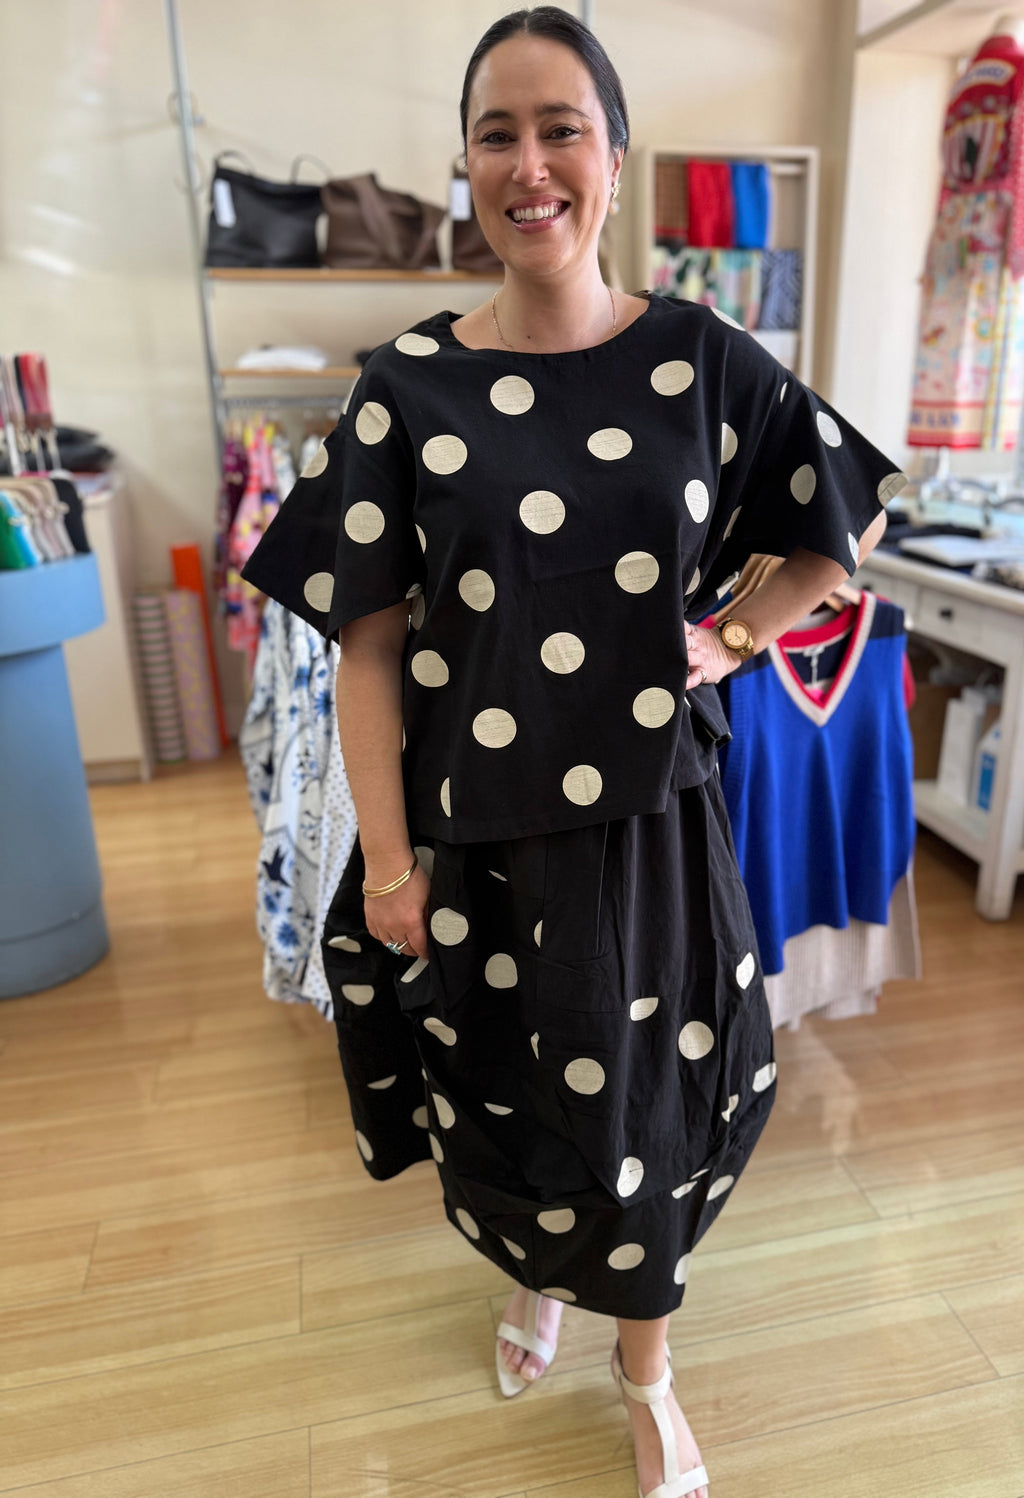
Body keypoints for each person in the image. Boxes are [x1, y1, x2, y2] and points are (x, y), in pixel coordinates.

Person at [243, 9, 904, 1495]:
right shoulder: (403, 389)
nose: (529, 163)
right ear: (465, 164)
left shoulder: (697, 361)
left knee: (647, 1107)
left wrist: (726, 637)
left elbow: (831, 538)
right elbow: (361, 648)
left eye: (561, 129)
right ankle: (537, 1273)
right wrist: (391, 862)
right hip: (472, 835)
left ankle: (645, 1365)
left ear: (614, 156)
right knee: (503, 1091)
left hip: (651, 837)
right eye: (498, 132)